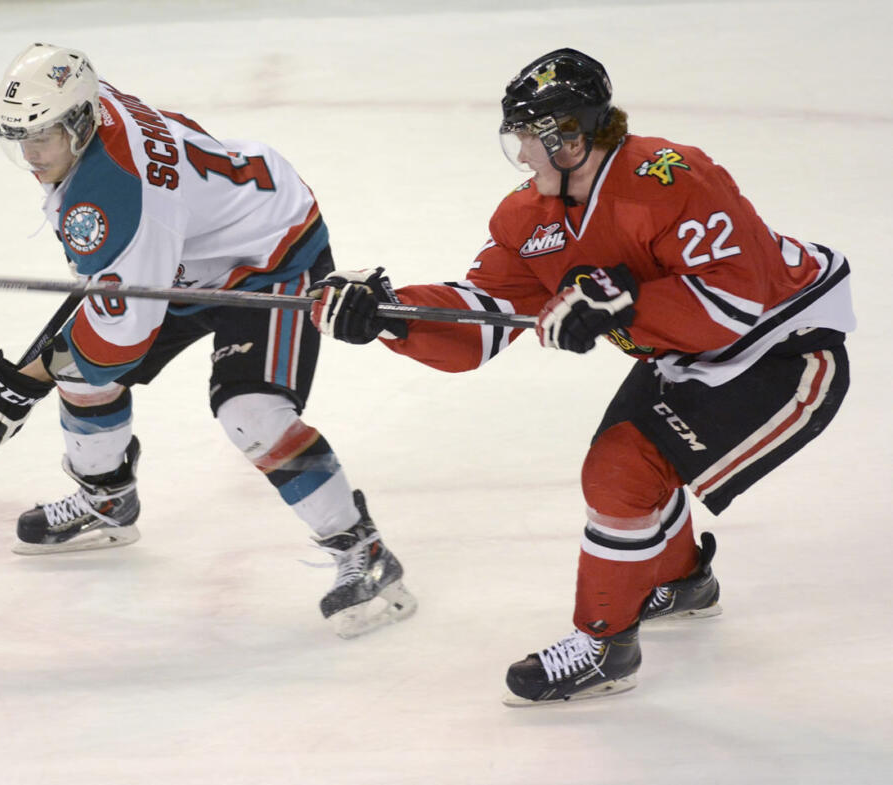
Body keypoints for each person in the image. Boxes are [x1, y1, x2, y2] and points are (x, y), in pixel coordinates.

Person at [309, 48, 854, 700]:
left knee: (622, 470)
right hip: (684, 355)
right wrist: (393, 316)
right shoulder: (527, 218)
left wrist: (625, 304)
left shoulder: (673, 177)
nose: (521, 157)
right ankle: (679, 581)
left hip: (784, 349)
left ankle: (604, 646)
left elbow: (738, 304)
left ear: (567, 138)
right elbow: (485, 319)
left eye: (528, 140)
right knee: (628, 466)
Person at [0, 43, 416, 639]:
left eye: (42, 138)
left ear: (82, 122)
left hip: (268, 253)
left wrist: (20, 384)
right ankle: (107, 500)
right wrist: (43, 369)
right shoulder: (93, 109)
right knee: (74, 366)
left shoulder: (115, 200)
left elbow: (118, 341)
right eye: (22, 138)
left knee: (250, 411)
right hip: (190, 247)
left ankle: (365, 552)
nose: (30, 155)